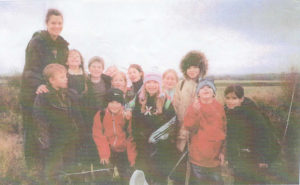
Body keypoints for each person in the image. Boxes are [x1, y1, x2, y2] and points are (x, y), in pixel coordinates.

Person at [20, 8, 69, 172]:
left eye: (59, 23)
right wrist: (38, 85)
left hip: (53, 92)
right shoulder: (37, 42)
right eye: (53, 23)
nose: (56, 26)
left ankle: (50, 166)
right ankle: (32, 168)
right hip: (34, 91)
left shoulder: (63, 45)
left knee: (50, 130)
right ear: (47, 24)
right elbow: (30, 70)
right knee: (33, 129)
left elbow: (63, 69)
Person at [33, 64, 85, 184]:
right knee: (53, 173)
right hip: (54, 143)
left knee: (70, 169)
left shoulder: (70, 94)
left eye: (66, 76)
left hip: (71, 139)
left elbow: (78, 117)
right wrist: (45, 143)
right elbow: (40, 122)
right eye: (62, 77)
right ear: (51, 80)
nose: (66, 79)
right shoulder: (43, 97)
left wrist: (79, 134)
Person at [131, 73, 177, 185]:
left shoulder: (166, 100)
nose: (152, 85)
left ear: (159, 84)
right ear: (145, 84)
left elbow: (172, 122)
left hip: (160, 148)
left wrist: (155, 137)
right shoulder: (139, 98)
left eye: (155, 82)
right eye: (149, 82)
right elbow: (135, 121)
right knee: (144, 176)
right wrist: (139, 137)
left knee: (159, 177)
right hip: (143, 147)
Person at [224, 84, 270, 184]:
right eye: (227, 98)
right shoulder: (228, 113)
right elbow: (231, 138)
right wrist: (230, 158)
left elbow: (264, 136)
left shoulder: (252, 113)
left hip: (254, 158)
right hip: (238, 158)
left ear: (242, 99)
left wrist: (263, 159)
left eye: (234, 98)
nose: (230, 101)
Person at [183, 78, 226, 185]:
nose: (205, 89)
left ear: (214, 93)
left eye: (209, 87)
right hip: (198, 158)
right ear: (198, 94)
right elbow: (189, 127)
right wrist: (195, 112)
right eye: (202, 87)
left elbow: (224, 131)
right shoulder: (193, 107)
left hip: (215, 159)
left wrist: (223, 151)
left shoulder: (219, 108)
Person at [93, 88, 136, 185]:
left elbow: (131, 138)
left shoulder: (127, 116)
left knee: (127, 177)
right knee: (104, 175)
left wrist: (132, 158)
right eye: (111, 102)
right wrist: (104, 154)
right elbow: (98, 135)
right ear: (107, 102)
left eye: (118, 102)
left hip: (124, 151)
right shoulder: (101, 115)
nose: (114, 105)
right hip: (108, 149)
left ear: (122, 103)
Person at [81, 56, 112, 172]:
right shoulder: (84, 81)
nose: (96, 69)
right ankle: (88, 173)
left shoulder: (107, 80)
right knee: (90, 143)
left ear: (103, 69)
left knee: (102, 142)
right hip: (88, 117)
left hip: (103, 117)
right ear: (89, 68)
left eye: (99, 67)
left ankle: (102, 172)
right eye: (93, 66)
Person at [173, 50, 208, 152]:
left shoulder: (205, 86)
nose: (191, 70)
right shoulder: (181, 84)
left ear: (201, 68)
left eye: (195, 67)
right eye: (189, 67)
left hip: (197, 132)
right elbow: (175, 106)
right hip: (179, 131)